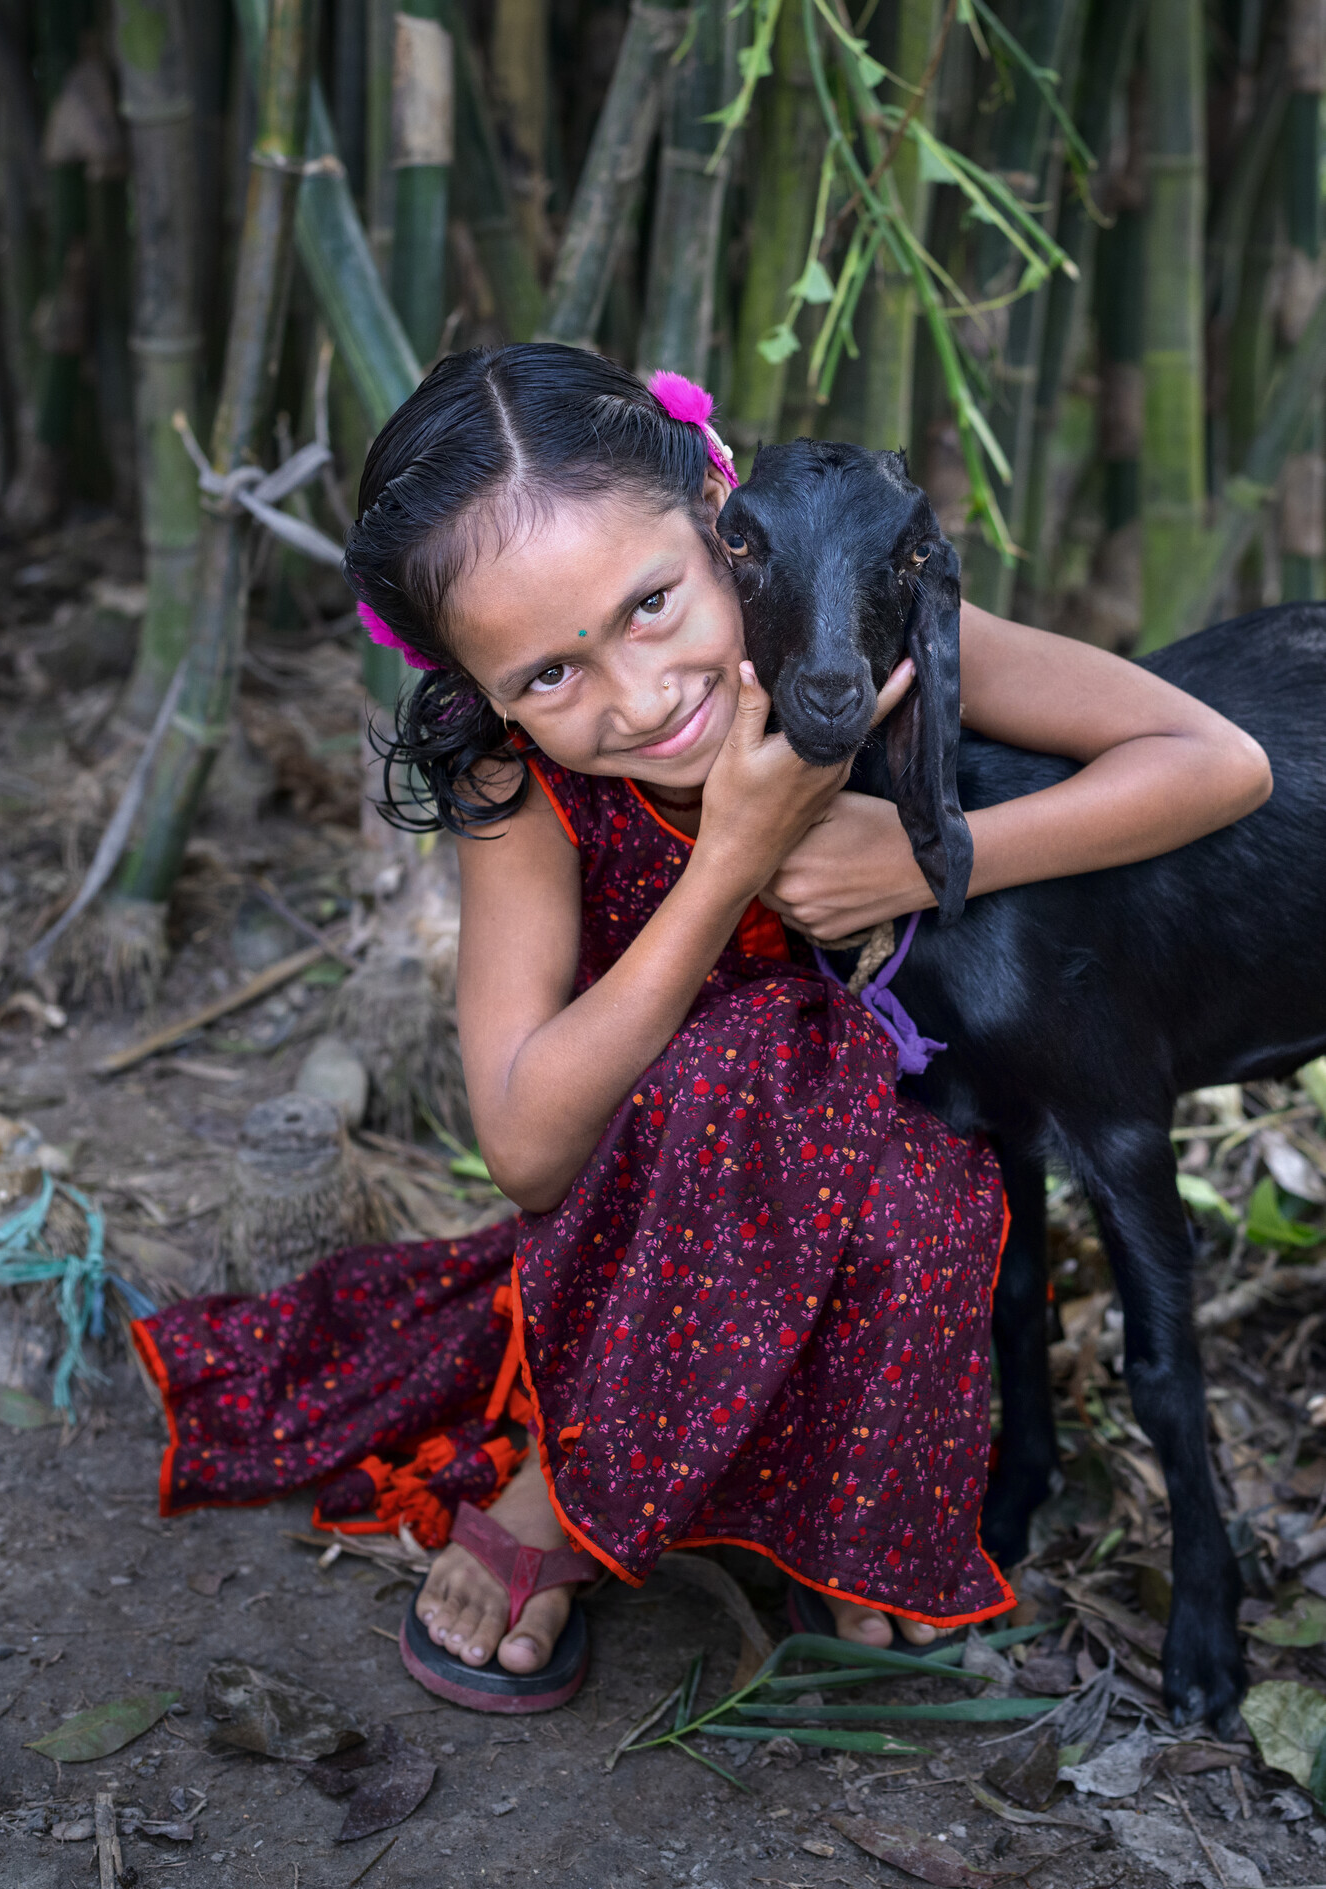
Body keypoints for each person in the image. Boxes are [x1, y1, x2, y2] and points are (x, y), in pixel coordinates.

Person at [133, 344, 1270, 1715]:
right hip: (650, 1202)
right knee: (733, 1074)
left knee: (914, 1167)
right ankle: (564, 1485)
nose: (639, 694)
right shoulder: (522, 789)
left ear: (729, 522)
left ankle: (840, 1501)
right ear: (479, 693)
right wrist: (731, 860)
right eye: (548, 676)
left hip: (886, 1166)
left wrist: (926, 861)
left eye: (654, 602)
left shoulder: (856, 640)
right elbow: (528, 1148)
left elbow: (1219, 764)